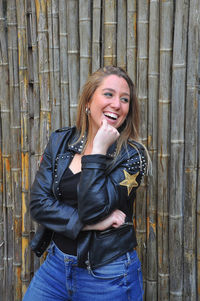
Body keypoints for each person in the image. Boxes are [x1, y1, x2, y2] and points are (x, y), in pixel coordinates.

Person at [23, 66, 147, 301]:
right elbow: (39, 205)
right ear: (89, 101)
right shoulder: (60, 141)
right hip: (56, 267)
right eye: (108, 94)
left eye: (124, 99)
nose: (117, 104)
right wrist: (90, 225)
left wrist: (98, 151)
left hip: (108, 276)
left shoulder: (131, 156)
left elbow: (92, 209)